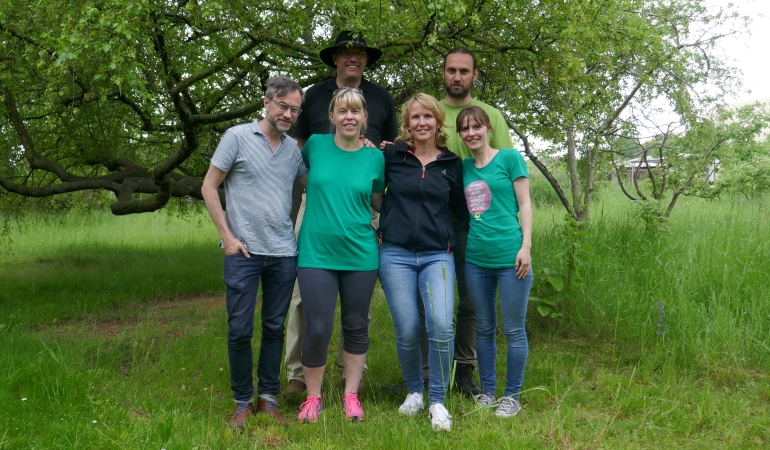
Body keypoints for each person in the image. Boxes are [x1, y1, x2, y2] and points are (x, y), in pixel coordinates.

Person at [284, 30, 398, 397]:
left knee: (357, 307)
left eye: (360, 53)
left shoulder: (381, 97)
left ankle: (350, 376)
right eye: (346, 52)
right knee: (303, 298)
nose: (353, 57)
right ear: (334, 58)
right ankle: (298, 375)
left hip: (364, 200)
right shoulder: (313, 96)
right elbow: (299, 157)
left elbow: (389, 149)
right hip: (317, 202)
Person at [200, 77, 307, 430]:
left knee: (275, 328)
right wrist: (227, 238)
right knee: (240, 330)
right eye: (282, 105)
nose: (288, 113)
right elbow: (209, 186)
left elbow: (317, 183)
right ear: (266, 102)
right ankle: (242, 401)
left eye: (294, 109)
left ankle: (269, 399)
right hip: (242, 252)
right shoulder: (237, 137)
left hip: (283, 253)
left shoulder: (294, 151)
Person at [378, 94, 469, 431]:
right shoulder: (392, 156)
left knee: (442, 326)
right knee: (408, 328)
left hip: (437, 255)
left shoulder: (452, 164)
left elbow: (461, 212)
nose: (421, 123)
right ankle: (414, 391)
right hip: (395, 254)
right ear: (407, 123)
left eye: (428, 117)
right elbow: (371, 184)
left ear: (438, 121)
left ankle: (438, 400)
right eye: (415, 117)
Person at [295, 87, 385, 423]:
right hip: (316, 253)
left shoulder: (375, 157)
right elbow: (290, 178)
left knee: (356, 325)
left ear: (364, 118)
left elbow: (378, 202)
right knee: (317, 328)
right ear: (331, 116)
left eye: (356, 111)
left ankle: (351, 395)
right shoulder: (315, 146)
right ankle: (312, 397)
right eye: (342, 111)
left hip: (360, 254)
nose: (349, 117)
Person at [440, 47, 515, 396]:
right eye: (451, 70)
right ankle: (430, 371)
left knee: (470, 300)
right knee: (432, 296)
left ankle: (465, 369)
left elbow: (505, 167)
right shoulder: (432, 112)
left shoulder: (491, 115)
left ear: (474, 75)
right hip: (437, 217)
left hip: (478, 219)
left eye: (464, 71)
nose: (457, 76)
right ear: (443, 73)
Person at [457, 106, 533, 417]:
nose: (471, 133)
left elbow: (525, 203)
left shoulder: (509, 158)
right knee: (485, 328)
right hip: (476, 259)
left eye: (476, 126)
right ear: (460, 136)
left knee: (514, 329)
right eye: (465, 129)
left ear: (488, 128)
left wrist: (526, 246)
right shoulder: (464, 167)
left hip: (511, 257)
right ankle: (487, 391)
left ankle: (512, 396)